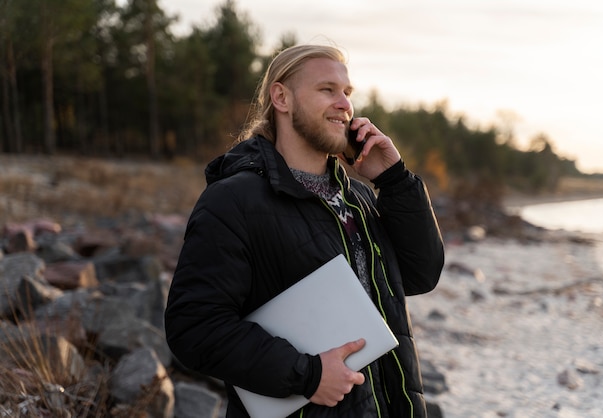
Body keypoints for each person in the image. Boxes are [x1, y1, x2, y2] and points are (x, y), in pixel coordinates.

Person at [164, 44, 445, 418]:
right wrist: (307, 375)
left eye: (347, 93)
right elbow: (194, 327)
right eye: (327, 90)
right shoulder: (234, 200)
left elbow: (419, 275)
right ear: (281, 97)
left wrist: (395, 181)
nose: (345, 104)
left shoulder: (358, 197)